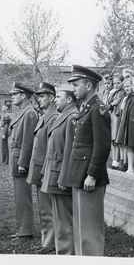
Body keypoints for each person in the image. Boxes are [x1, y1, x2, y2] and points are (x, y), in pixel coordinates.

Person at [64, 65, 111, 256]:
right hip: (79, 174)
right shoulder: (86, 107)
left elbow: (102, 146)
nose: (73, 89)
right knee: (81, 227)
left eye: (76, 85)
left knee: (90, 231)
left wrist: (92, 174)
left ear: (89, 85)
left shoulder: (97, 109)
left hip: (89, 177)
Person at [41, 84, 78, 254]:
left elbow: (70, 151)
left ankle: (66, 254)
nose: (55, 100)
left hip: (60, 175)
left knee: (64, 219)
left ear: (69, 99)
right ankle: (62, 251)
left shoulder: (72, 117)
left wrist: (64, 178)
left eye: (58, 97)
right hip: (54, 171)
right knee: (59, 217)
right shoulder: (63, 116)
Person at [27, 82, 58, 253]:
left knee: (48, 209)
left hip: (46, 170)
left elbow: (52, 148)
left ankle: (50, 242)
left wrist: (46, 170)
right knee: (44, 208)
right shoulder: (45, 116)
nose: (39, 99)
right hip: (40, 169)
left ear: (52, 97)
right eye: (38, 96)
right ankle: (48, 239)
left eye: (43, 96)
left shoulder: (53, 117)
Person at [8, 82, 38, 238]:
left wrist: (23, 163)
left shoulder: (29, 113)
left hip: (21, 160)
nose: (12, 97)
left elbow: (28, 141)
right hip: (16, 158)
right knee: (19, 196)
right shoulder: (22, 112)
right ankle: (22, 229)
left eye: (15, 94)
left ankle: (25, 230)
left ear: (24, 95)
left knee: (23, 197)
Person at [115, 78, 134, 172]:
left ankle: (128, 163)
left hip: (128, 122)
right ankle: (123, 160)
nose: (127, 88)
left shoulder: (132, 97)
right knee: (122, 143)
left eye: (128, 86)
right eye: (125, 87)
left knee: (127, 144)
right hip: (122, 121)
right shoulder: (125, 98)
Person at [109, 74, 125, 170]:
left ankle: (118, 160)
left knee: (116, 139)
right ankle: (114, 159)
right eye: (114, 83)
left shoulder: (122, 92)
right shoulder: (114, 92)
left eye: (118, 83)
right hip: (113, 116)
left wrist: (110, 104)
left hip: (118, 116)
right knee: (113, 139)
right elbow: (109, 101)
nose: (116, 85)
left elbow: (115, 102)